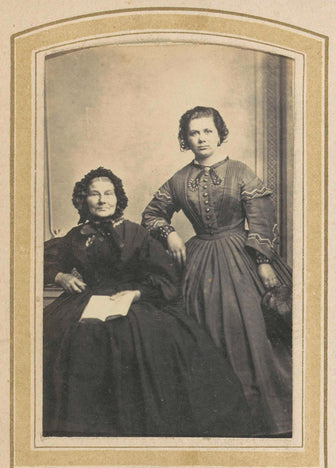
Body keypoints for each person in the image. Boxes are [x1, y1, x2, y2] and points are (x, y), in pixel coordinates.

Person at [43, 166, 252, 437]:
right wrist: (61, 277)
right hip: (85, 301)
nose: (103, 199)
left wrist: (136, 294)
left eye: (109, 193)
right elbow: (50, 263)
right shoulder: (75, 236)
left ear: (118, 199)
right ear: (84, 200)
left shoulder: (136, 233)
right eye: (95, 194)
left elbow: (166, 278)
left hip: (134, 301)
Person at [141, 106, 292, 437]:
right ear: (186, 139)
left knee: (251, 328)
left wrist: (263, 260)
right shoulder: (179, 179)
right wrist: (171, 233)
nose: (201, 138)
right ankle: (222, 416)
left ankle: (264, 417)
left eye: (207, 131)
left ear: (219, 133)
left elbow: (262, 215)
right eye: (194, 133)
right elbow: (152, 214)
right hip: (199, 264)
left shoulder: (239, 171)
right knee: (203, 332)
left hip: (244, 257)